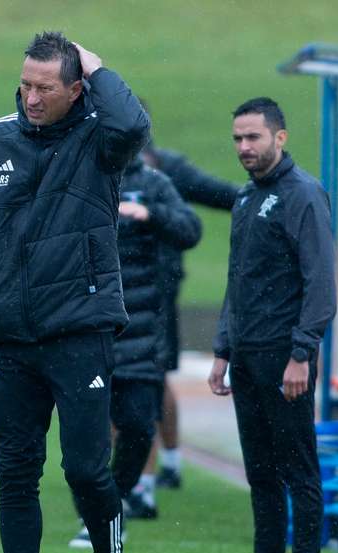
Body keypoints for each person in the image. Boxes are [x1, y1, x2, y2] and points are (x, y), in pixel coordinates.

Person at [0, 31, 149, 553]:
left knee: (85, 471)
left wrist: (98, 67)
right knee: (14, 474)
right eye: (25, 85)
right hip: (9, 335)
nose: (32, 99)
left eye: (45, 89)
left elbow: (133, 124)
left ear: (77, 90)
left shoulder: (101, 143)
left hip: (80, 331)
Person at [208, 97, 336, 553]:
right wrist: (222, 349)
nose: (244, 147)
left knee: (298, 473)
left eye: (253, 137)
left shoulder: (303, 193)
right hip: (245, 357)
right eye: (238, 139)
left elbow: (319, 280)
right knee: (260, 475)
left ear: (280, 137)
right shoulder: (246, 195)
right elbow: (237, 278)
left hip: (285, 359)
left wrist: (302, 353)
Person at [69, 154, 201, 546]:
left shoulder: (156, 184)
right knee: (87, 439)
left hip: (143, 337)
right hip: (87, 334)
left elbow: (190, 229)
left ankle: (117, 499)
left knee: (139, 428)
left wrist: (150, 213)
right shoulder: (78, 177)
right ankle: (97, 516)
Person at [139, 101, 240, 492]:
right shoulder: (103, 163)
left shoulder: (166, 170)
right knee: (149, 375)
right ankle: (164, 464)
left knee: (147, 376)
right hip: (128, 286)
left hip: (158, 287)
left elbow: (220, 194)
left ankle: (155, 472)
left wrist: (263, 200)